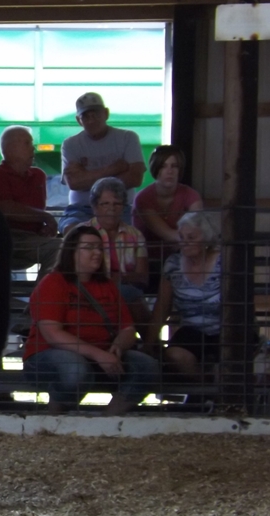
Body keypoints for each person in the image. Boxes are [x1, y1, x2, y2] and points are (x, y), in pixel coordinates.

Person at [22, 224, 159, 415]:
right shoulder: (53, 283)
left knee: (146, 366)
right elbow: (53, 334)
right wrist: (99, 355)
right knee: (75, 369)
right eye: (89, 248)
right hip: (50, 355)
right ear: (72, 252)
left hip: (100, 355)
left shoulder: (107, 285)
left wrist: (118, 346)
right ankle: (54, 418)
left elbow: (128, 329)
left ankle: (107, 420)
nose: (97, 253)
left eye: (100, 248)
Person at [144, 211, 222, 381]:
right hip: (192, 330)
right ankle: (206, 385)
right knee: (174, 356)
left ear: (206, 239)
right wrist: (148, 344)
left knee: (232, 360)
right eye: (181, 237)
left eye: (191, 237)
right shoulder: (173, 264)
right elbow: (162, 307)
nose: (184, 242)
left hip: (226, 328)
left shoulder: (223, 261)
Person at [59, 92, 145, 232]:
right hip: (81, 209)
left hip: (120, 208)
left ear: (106, 113)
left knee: (131, 233)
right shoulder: (70, 144)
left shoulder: (128, 138)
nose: (91, 120)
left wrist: (87, 176)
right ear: (79, 120)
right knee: (72, 230)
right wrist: (113, 169)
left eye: (96, 115)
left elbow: (135, 178)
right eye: (86, 116)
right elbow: (75, 183)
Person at [0, 125, 60, 274]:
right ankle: (46, 289)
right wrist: (45, 217)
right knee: (59, 247)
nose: (33, 148)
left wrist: (45, 229)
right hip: (4, 238)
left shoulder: (38, 176)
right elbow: (6, 208)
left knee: (64, 247)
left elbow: (35, 211)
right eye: (27, 143)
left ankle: (44, 288)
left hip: (31, 239)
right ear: (10, 149)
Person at [131, 145, 203, 286]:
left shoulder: (191, 195)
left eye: (174, 166)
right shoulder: (143, 198)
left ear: (180, 169)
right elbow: (167, 234)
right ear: (155, 169)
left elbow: (196, 231)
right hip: (146, 262)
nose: (169, 171)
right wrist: (188, 239)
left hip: (179, 258)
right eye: (163, 166)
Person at [87, 177, 150, 330]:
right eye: (105, 204)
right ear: (95, 207)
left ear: (123, 207)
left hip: (125, 291)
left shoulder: (135, 235)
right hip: (89, 288)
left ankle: (146, 341)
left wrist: (120, 278)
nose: (112, 208)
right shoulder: (82, 233)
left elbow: (143, 277)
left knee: (128, 294)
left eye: (117, 204)